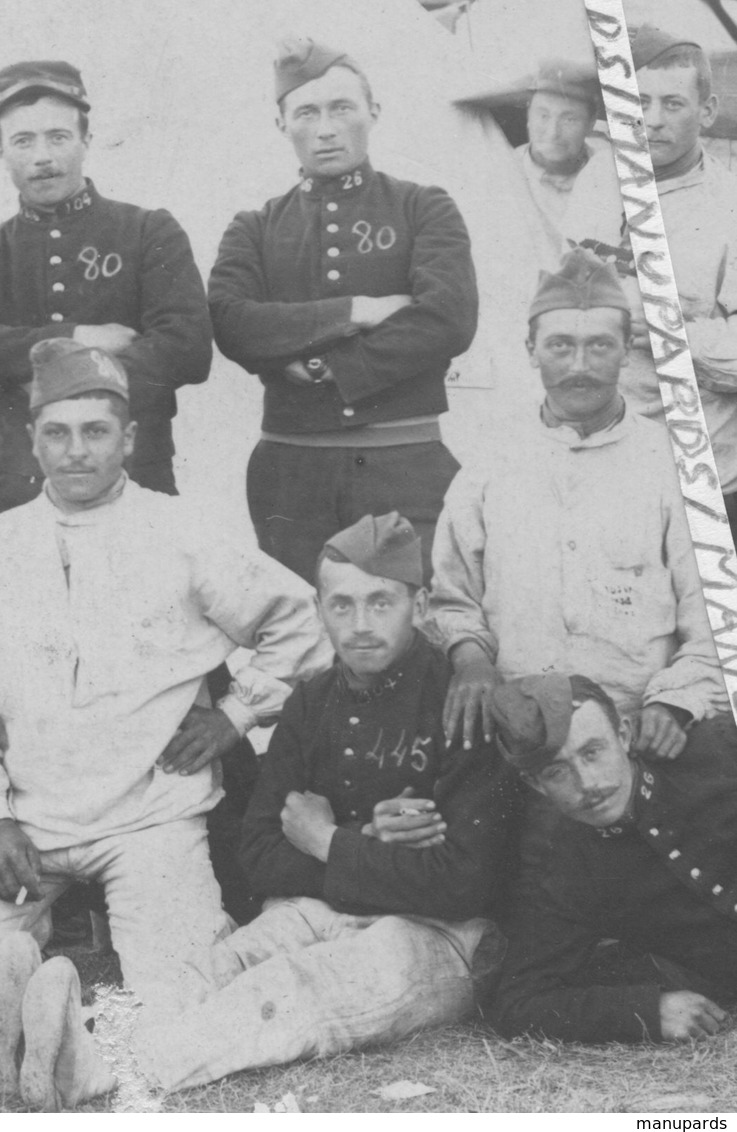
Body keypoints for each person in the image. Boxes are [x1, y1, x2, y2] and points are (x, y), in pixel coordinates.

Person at [0, 337, 332, 1109]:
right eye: (57, 434)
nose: (76, 453)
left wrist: (236, 714)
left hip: (149, 819)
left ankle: (84, 997)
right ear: (30, 440)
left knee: (179, 991)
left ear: (128, 439)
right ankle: (64, 939)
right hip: (27, 823)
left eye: (95, 432)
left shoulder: (181, 532)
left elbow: (299, 623)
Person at [123, 513, 520, 1092]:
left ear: (423, 605)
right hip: (315, 906)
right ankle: (73, 1042)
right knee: (222, 964)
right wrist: (370, 844)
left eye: (381, 603)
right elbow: (257, 854)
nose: (360, 625)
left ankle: (107, 1073)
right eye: (342, 606)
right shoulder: (310, 702)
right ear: (319, 610)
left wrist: (330, 840)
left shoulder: (462, 704)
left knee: (295, 987)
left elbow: (464, 883)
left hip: (436, 934)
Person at [432, 247, 728, 756]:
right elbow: (452, 597)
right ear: (531, 350)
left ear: (626, 349)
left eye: (599, 346)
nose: (580, 367)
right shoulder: (489, 462)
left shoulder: (675, 465)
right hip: (514, 723)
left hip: (637, 728)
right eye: (560, 346)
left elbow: (716, 621)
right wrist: (470, 658)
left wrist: (675, 702)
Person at [208, 38, 478, 585]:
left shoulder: (423, 206)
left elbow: (448, 318)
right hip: (290, 470)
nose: (325, 128)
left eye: (342, 108)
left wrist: (328, 366)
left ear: (373, 112)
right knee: (304, 629)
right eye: (306, 112)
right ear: (281, 122)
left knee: (413, 622)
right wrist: (357, 309)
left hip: (404, 459)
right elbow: (232, 322)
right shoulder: (254, 228)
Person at [0, 59, 212, 532]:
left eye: (58, 137)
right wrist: (80, 337)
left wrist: (47, 373)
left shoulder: (148, 232)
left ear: (86, 141)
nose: (43, 156)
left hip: (136, 489)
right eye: (23, 140)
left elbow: (187, 350)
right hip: (20, 497)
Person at [484, 673, 737, 1043]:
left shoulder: (716, 751)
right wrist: (646, 1010)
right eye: (557, 771)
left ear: (623, 735)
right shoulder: (565, 869)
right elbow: (517, 1002)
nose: (588, 784)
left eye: (592, 752)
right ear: (536, 785)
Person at [616, 26, 737, 532]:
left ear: (706, 111)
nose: (652, 120)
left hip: (699, 466)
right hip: (607, 455)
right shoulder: (593, 184)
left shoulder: (727, 206)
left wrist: (671, 334)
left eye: (673, 104)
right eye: (639, 101)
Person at [513, 62, 623, 266]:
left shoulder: (612, 169)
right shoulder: (503, 171)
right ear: (528, 116)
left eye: (569, 119)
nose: (553, 132)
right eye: (543, 115)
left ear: (591, 123)